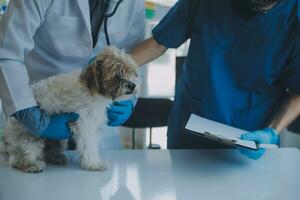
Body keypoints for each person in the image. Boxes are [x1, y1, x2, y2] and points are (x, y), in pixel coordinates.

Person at [130, 0, 300, 159]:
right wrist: (113, 70)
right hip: (189, 134)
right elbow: (159, 43)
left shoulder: (294, 17)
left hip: (252, 141)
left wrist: (272, 131)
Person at [0, 0, 145, 148]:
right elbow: (6, 52)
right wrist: (26, 111)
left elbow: (135, 57)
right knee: (29, 159)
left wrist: (131, 99)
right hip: (41, 110)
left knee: (95, 164)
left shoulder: (133, 3)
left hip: (98, 123)